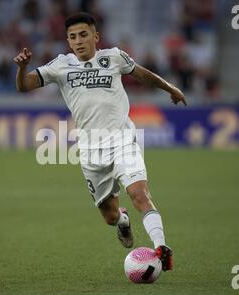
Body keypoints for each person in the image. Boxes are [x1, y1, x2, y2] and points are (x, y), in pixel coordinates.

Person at [14, 12, 186, 272]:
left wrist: (170, 88)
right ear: (68, 41)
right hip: (91, 148)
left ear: (95, 36)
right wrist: (22, 68)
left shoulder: (113, 57)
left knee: (139, 194)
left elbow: (142, 73)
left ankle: (162, 248)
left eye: (83, 35)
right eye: (72, 37)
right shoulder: (61, 65)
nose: (78, 41)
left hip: (123, 140)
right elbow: (25, 86)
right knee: (109, 216)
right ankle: (122, 221)